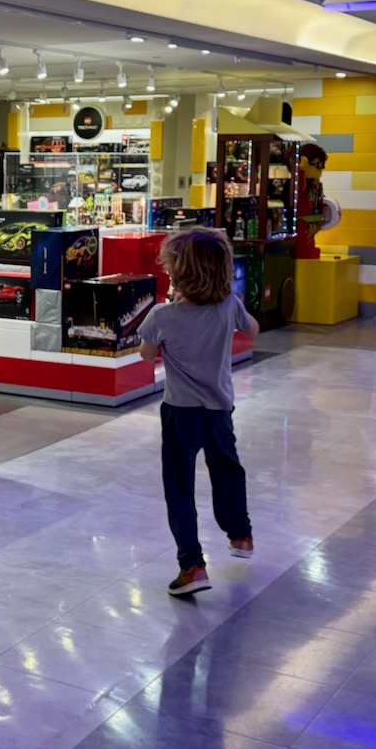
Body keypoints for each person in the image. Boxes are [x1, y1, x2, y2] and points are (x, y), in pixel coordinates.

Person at [137, 226, 258, 597]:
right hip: (219, 410)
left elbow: (145, 353)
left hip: (180, 412)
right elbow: (252, 330)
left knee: (179, 486)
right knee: (227, 470)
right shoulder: (228, 306)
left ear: (181, 275)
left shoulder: (162, 316)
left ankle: (192, 566)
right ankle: (240, 534)